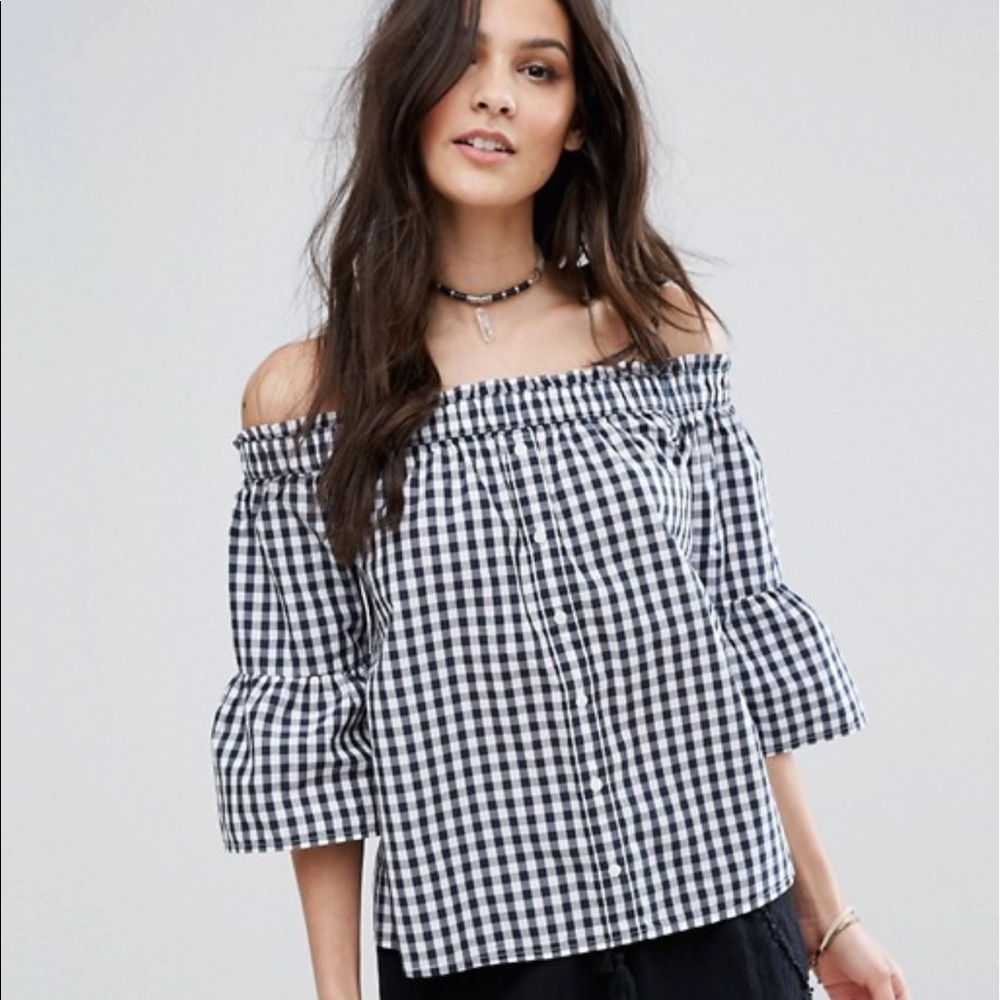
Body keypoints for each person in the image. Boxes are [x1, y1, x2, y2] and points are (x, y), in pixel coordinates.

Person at [211, 0, 911, 997]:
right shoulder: (307, 400)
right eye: (463, 60)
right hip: (482, 953)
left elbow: (730, 632)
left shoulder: (659, 340)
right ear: (407, 90)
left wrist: (824, 913)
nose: (495, 94)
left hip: (719, 918)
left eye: (537, 70)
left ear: (578, 120)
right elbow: (313, 711)